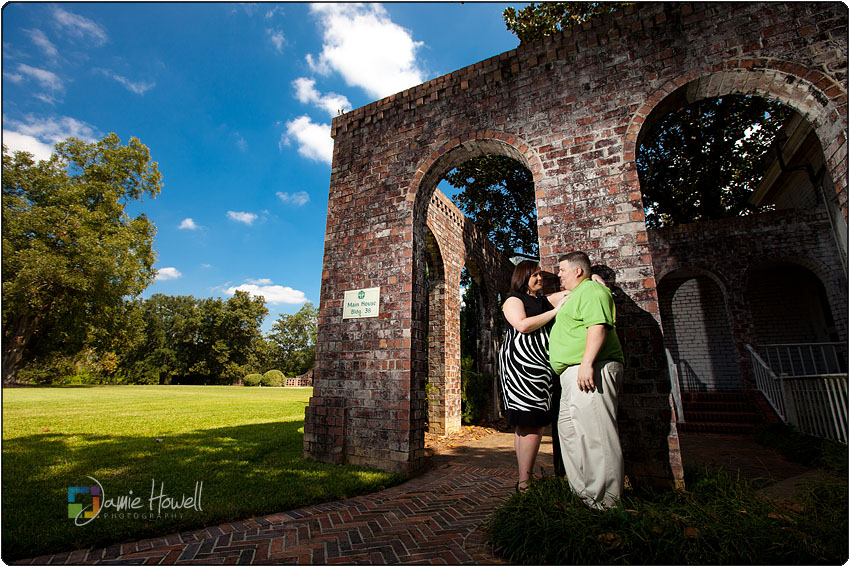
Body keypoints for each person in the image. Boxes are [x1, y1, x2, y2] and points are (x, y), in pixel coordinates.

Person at [549, 251, 625, 509]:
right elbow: (542, 301)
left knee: (597, 436)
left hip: (590, 369)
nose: (559, 274)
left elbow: (598, 326)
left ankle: (606, 504)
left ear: (578, 271)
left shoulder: (592, 291)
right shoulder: (575, 295)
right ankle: (585, 496)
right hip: (571, 375)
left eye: (562, 269)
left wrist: (587, 363)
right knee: (570, 434)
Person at [499, 260, 569, 492]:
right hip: (523, 367)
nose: (540, 279)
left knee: (526, 424)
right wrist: (556, 312)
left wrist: (594, 280)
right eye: (535, 275)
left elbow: (571, 292)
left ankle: (523, 479)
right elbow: (522, 325)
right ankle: (525, 482)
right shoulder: (513, 300)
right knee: (531, 422)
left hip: (539, 367)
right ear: (523, 277)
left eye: (540, 275)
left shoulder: (542, 301)